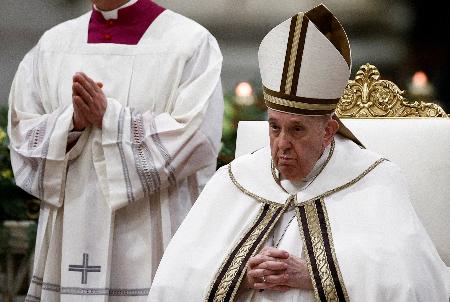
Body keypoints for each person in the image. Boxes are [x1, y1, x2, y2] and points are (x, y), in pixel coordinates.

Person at [149, 4, 449, 301]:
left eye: (297, 130)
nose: (282, 144)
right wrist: (239, 276)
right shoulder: (234, 179)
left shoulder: (375, 180)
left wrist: (314, 276)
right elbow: (173, 283)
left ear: (329, 131)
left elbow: (412, 284)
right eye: (274, 127)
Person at [7, 0, 223, 300]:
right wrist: (72, 122)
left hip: (148, 241)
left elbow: (197, 137)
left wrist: (111, 119)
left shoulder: (190, 42)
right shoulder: (53, 44)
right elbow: (22, 134)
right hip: (68, 230)